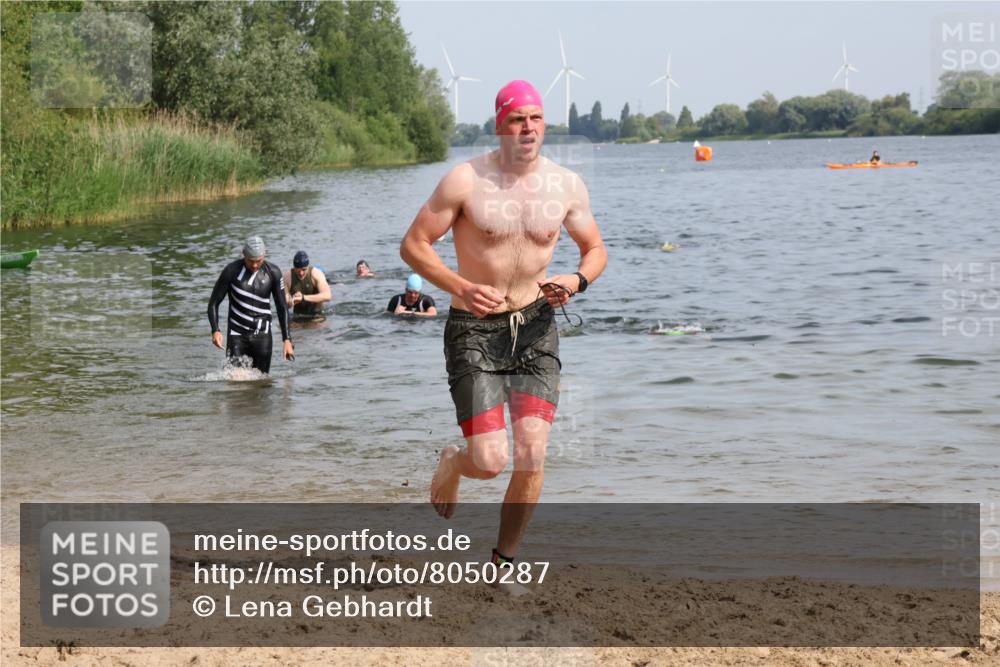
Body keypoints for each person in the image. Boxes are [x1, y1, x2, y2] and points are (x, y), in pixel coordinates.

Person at [399, 80, 607, 574]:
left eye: (535, 118)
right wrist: (460, 285)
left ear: (545, 124)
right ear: (500, 126)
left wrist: (575, 280)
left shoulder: (567, 185)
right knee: (490, 461)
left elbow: (596, 250)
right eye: (518, 119)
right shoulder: (465, 180)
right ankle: (454, 461)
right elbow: (413, 246)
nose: (528, 128)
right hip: (473, 329)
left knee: (532, 454)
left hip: (536, 327)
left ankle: (503, 563)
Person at [207, 235, 294, 373]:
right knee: (233, 380)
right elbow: (213, 303)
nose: (254, 265)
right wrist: (215, 330)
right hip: (237, 335)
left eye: (258, 261)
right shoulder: (231, 271)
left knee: (261, 382)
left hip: (262, 337)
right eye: (250, 261)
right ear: (243, 254)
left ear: (265, 254)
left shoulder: (274, 273)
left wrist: (287, 339)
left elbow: (282, 307)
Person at [283, 250, 331, 321]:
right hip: (298, 317)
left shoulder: (316, 274)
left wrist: (303, 298)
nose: (301, 273)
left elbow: (327, 296)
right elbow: (283, 305)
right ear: (294, 267)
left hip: (317, 315)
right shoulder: (287, 278)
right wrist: (291, 301)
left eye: (304, 269)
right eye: (298, 270)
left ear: (308, 267)